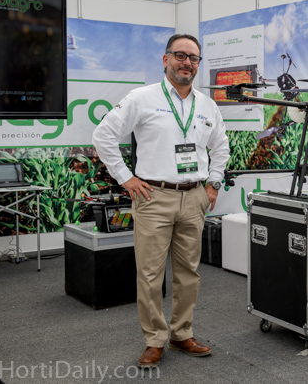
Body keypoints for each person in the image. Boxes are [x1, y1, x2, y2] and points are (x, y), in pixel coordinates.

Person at [92, 34, 230, 368]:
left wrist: (213, 185)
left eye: (193, 58)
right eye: (180, 56)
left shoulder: (207, 105)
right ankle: (154, 339)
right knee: (150, 274)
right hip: (153, 197)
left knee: (189, 273)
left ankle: (182, 333)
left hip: (194, 197)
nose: (187, 63)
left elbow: (221, 146)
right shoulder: (142, 98)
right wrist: (126, 178)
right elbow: (103, 135)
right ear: (165, 59)